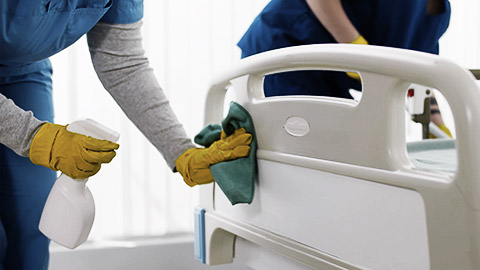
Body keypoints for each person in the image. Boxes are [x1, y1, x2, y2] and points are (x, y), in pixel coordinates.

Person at [0, 1, 252, 269]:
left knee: (31, 225)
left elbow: (123, 62)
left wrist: (180, 150)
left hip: (22, 73)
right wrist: (35, 137)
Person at [238, 0, 452, 135]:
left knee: (344, 154)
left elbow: (415, 74)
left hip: (333, 72)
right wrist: (355, 47)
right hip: (286, 51)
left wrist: (436, 127)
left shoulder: (438, 11)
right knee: (301, 155)